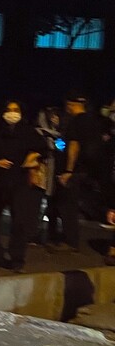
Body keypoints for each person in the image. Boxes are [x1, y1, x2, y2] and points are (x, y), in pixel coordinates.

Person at [0, 101, 47, 272]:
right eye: (8, 110)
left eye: (16, 110)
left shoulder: (29, 132)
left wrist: (32, 157)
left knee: (20, 222)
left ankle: (17, 259)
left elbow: (44, 150)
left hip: (21, 182)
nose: (12, 113)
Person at [48, 92, 104, 254]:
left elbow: (73, 146)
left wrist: (68, 171)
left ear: (71, 104)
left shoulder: (75, 122)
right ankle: (70, 239)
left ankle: (71, 242)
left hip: (75, 170)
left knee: (67, 206)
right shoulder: (93, 121)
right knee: (72, 204)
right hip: (88, 170)